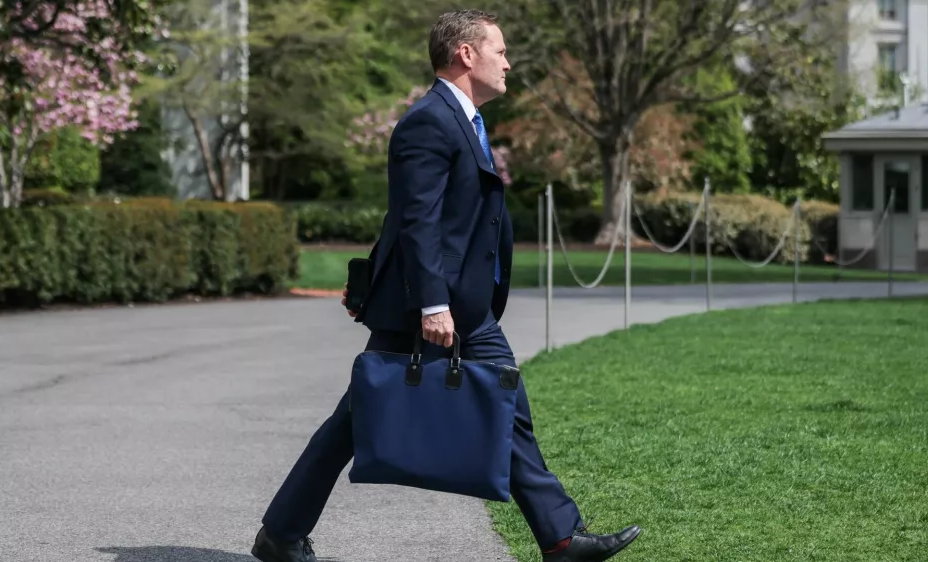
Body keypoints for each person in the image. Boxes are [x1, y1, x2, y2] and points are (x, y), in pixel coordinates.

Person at [251, 9, 641, 562]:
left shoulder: (466, 121)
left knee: (507, 412)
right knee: (357, 420)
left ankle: (560, 538)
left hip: (469, 310)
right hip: (430, 310)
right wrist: (434, 304)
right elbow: (419, 222)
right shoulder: (429, 121)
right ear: (466, 54)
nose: (508, 62)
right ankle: (281, 534)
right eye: (500, 51)